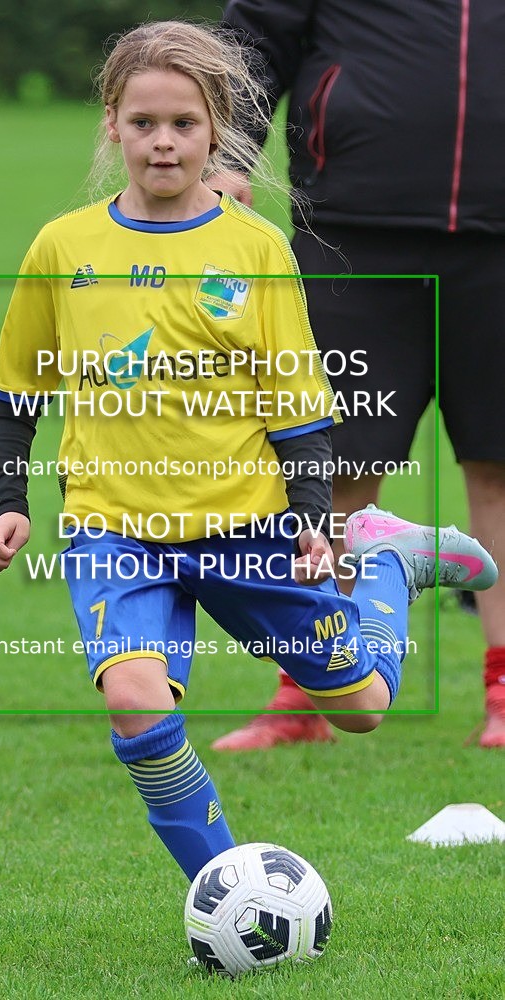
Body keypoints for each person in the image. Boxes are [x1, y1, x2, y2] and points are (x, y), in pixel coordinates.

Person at [0, 21, 498, 883]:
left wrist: (309, 523)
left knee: (364, 706)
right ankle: (227, 897)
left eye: (183, 123)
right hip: (116, 532)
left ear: (216, 128)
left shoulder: (254, 249)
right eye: (143, 122)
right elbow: (14, 392)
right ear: (112, 123)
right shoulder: (64, 248)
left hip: (248, 527)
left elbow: (295, 408)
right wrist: (8, 505)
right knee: (134, 703)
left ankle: (387, 571)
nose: (163, 142)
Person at [211, 0, 505, 751]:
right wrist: (228, 158)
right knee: (330, 471)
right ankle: (310, 690)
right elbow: (250, 41)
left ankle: (504, 694)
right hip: (348, 240)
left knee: (500, 472)